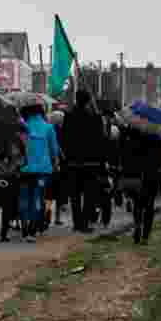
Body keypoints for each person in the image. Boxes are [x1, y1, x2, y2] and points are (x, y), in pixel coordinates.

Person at [62, 90, 107, 234]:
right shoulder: (95, 118)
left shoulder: (68, 117)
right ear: (88, 101)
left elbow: (64, 139)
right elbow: (101, 141)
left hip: (73, 162)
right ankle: (84, 222)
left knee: (74, 195)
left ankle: (77, 223)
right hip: (91, 163)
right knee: (89, 195)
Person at [18, 104, 60, 243]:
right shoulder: (49, 128)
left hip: (24, 170)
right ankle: (32, 228)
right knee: (38, 198)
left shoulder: (22, 128)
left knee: (24, 199)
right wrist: (55, 166)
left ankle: (24, 228)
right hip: (42, 170)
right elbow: (54, 150)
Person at [118, 125, 161, 245]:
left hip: (135, 173)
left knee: (137, 203)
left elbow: (124, 152)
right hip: (151, 174)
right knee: (149, 206)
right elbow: (160, 155)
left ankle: (138, 224)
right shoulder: (155, 134)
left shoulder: (131, 132)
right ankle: (145, 237)